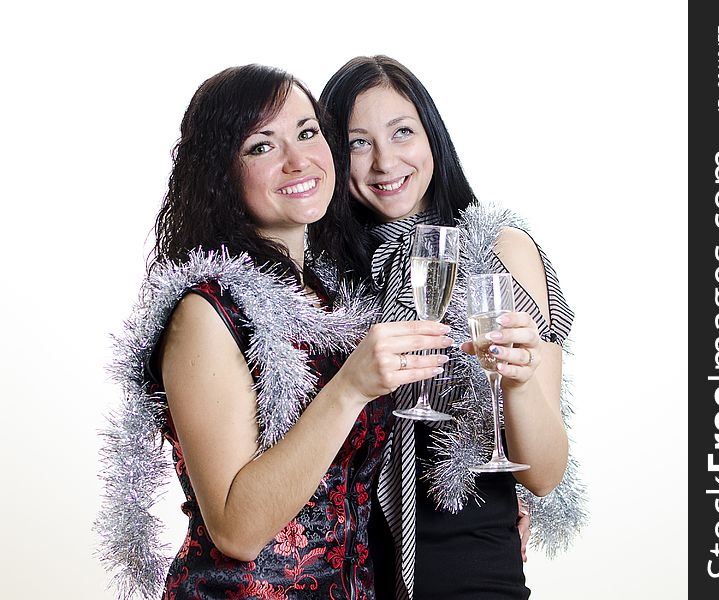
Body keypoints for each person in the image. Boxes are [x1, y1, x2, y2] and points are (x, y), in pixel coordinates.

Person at [96, 64, 455, 600]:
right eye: (262, 146)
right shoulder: (207, 312)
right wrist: (351, 388)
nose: (298, 160)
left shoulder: (333, 301)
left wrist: (502, 495)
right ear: (221, 171)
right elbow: (236, 530)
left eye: (308, 133)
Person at [310, 56, 586, 599]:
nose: (385, 161)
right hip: (338, 577)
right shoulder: (315, 274)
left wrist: (521, 381)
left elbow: (545, 474)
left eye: (402, 132)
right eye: (357, 143)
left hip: (472, 570)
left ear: (433, 135)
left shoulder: (497, 251)